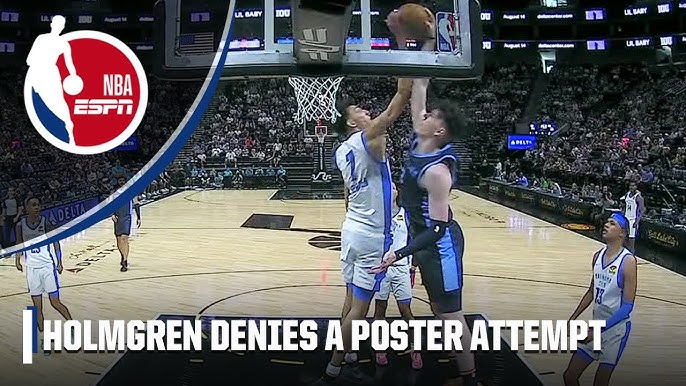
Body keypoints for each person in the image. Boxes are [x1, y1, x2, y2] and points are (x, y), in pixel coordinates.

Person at [313, 39, 415, 386]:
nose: (365, 111)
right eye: (358, 110)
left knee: (348, 298)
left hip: (351, 230)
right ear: (351, 122)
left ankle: (350, 354)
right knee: (360, 310)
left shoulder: (342, 152)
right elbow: (397, 104)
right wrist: (406, 57)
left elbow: (346, 194)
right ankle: (333, 369)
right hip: (372, 236)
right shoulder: (370, 136)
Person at [370, 62, 477, 385]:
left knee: (450, 316)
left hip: (440, 246)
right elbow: (419, 86)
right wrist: (416, 44)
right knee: (438, 310)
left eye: (432, 116)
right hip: (424, 239)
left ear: (440, 131)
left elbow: (438, 229)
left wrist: (399, 254)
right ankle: (466, 372)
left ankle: (470, 379)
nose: (425, 115)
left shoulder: (438, 172)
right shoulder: (421, 139)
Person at [563, 212, 637, 386]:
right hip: (595, 326)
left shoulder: (628, 261)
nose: (606, 225)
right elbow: (591, 291)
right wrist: (572, 318)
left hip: (615, 331)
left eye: (612, 223)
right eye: (607, 222)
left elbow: (627, 307)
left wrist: (596, 331)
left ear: (622, 233)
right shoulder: (597, 256)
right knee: (569, 376)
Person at [372, 182, 422, 370]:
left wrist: (414, 266)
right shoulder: (377, 215)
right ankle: (380, 348)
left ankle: (415, 348)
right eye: (388, 187)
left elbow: (415, 242)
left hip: (401, 267)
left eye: (393, 187)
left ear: (397, 192)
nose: (391, 190)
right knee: (380, 311)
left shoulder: (406, 214)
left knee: (405, 310)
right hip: (382, 269)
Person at [15, 197, 72, 353]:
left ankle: (71, 324)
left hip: (47, 268)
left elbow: (56, 241)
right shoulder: (20, 225)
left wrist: (59, 261)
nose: (37, 207)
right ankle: (45, 341)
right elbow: (19, 244)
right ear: (26, 208)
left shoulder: (45, 222)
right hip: (32, 270)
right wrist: (17, 259)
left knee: (55, 302)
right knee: (37, 307)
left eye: (38, 204)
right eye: (34, 205)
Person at [25, 15, 79, 145]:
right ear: (52, 24)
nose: (59, 26)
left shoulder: (63, 43)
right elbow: (29, 60)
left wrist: (74, 76)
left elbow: (69, 64)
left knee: (59, 103)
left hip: (51, 74)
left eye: (62, 24)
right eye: (58, 23)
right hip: (40, 73)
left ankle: (69, 130)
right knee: (44, 102)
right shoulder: (41, 39)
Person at [112, 176, 141, 272]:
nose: (121, 182)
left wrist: (139, 217)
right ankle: (122, 255)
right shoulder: (114, 192)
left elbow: (136, 203)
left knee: (124, 238)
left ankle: (125, 261)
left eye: (123, 181)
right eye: (120, 181)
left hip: (126, 216)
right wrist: (111, 214)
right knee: (119, 239)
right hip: (117, 217)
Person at [620, 182, 645, 253]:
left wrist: (637, 221)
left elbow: (642, 210)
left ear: (636, 187)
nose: (631, 187)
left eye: (633, 185)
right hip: (625, 217)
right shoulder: (627, 194)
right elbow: (624, 204)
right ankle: (626, 250)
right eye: (630, 185)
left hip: (633, 219)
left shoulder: (638, 197)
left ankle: (632, 252)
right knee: (623, 235)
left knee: (631, 237)